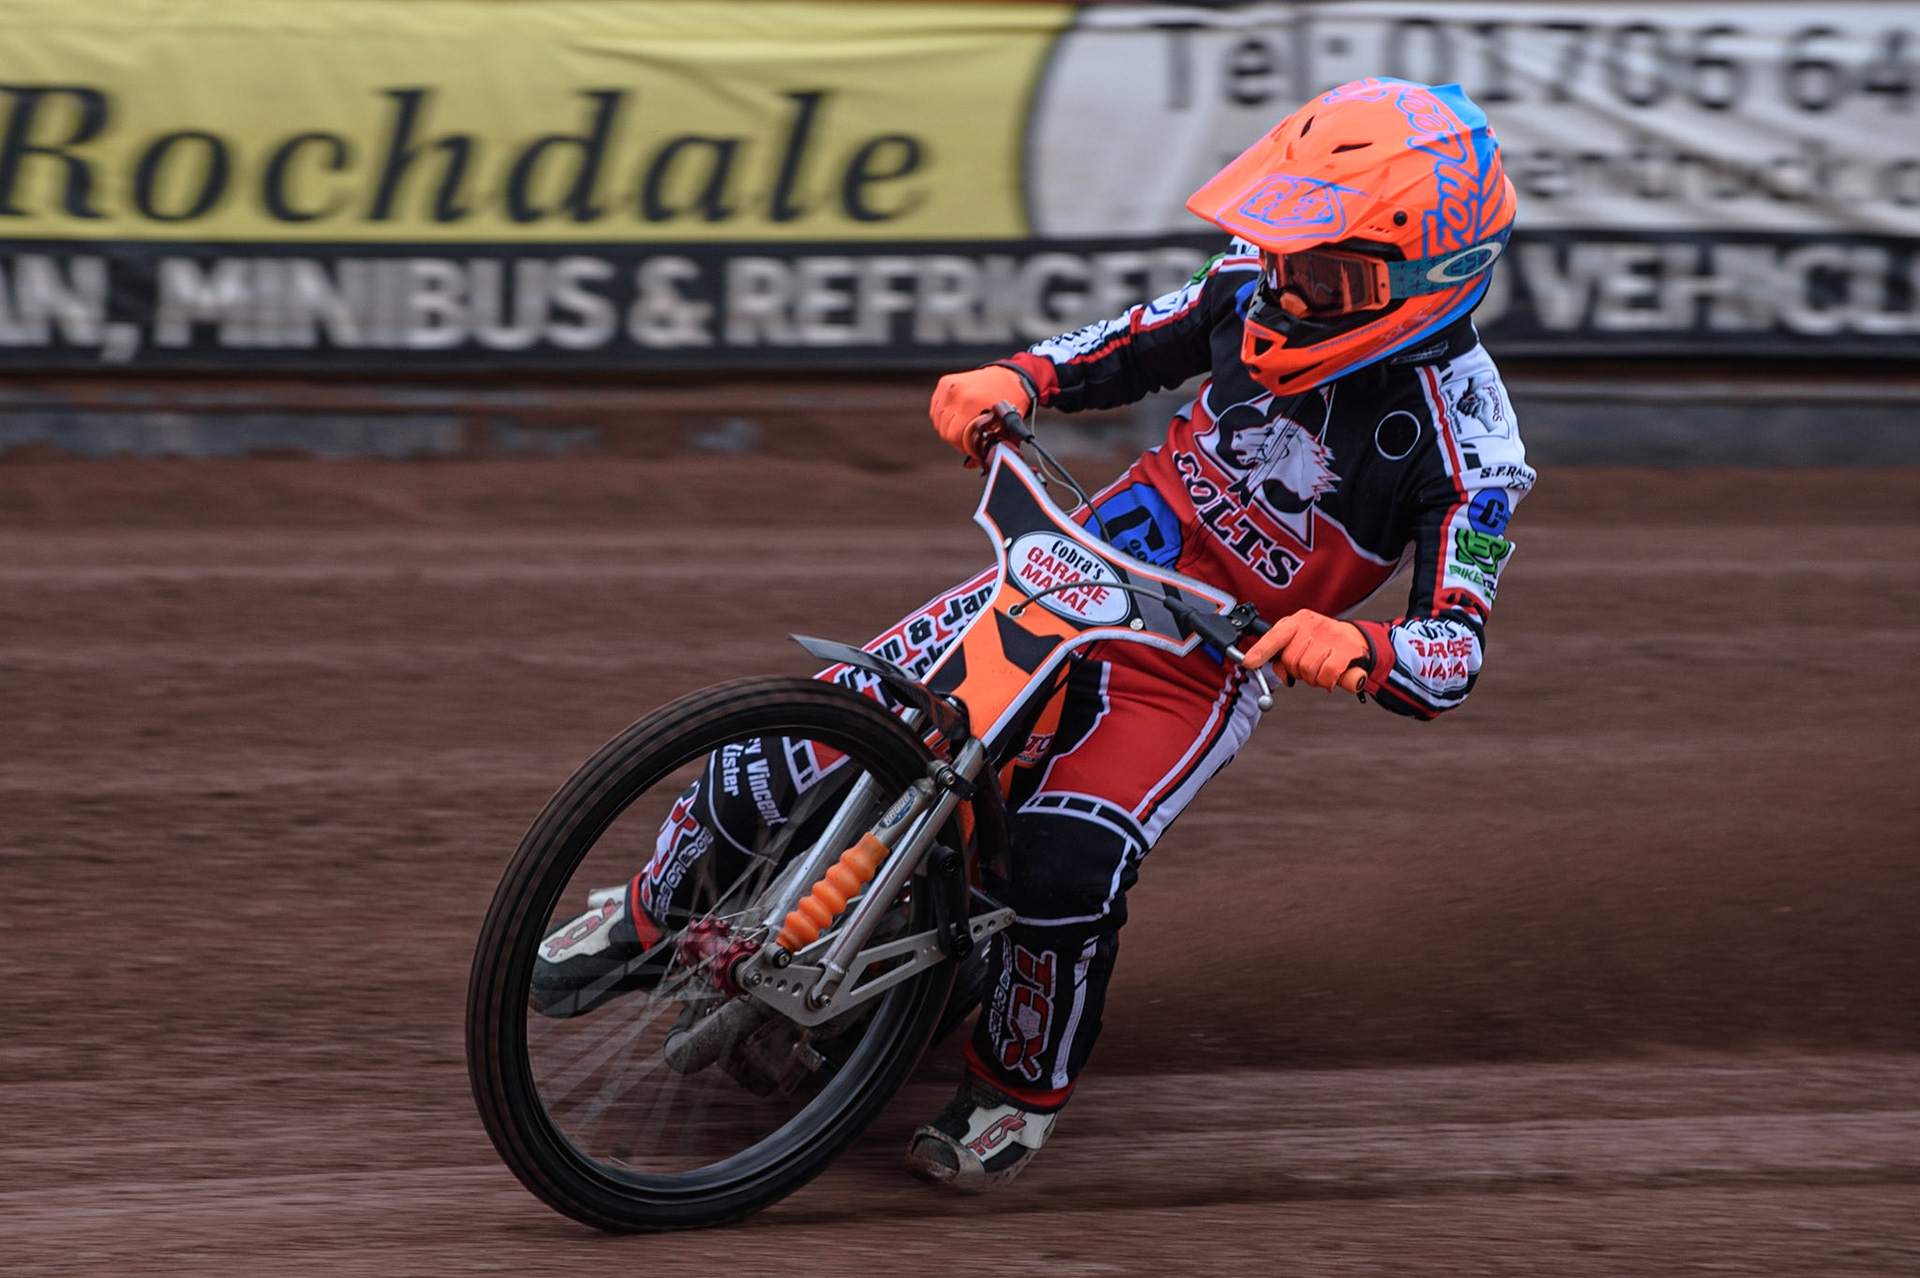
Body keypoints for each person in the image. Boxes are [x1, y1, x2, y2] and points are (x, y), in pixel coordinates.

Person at [531, 77, 1534, 1192]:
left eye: (1323, 270)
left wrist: (1364, 649)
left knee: (1068, 857)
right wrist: (1022, 374)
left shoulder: (1470, 449)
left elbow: (1458, 644)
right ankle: (646, 912)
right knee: (801, 733)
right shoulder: (1251, 286)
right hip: (1075, 563)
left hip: (1200, 661)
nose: (1286, 288)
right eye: (1284, 248)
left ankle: (1017, 1091)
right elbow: (1128, 343)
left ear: (1429, 273)